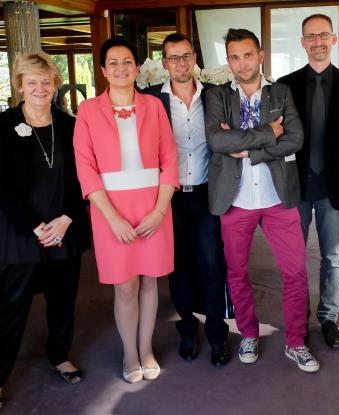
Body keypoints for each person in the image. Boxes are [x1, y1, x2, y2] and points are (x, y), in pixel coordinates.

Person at [0, 52, 91, 414]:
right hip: (21, 231)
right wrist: (35, 224)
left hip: (64, 229)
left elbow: (82, 180)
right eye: (32, 82)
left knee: (63, 299)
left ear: (55, 84)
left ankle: (60, 356)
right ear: (20, 86)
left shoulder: (70, 124)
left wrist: (66, 219)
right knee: (11, 305)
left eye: (46, 82)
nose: (40, 88)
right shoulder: (2, 125)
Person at [205, 28, 319, 373]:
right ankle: (248, 333)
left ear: (261, 56)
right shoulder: (218, 96)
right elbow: (216, 140)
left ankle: (296, 342)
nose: (242, 63)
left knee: (295, 272)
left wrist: (247, 149)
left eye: (247, 55)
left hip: (278, 198)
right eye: (234, 57)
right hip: (234, 199)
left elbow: (296, 138)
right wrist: (270, 133)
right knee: (237, 273)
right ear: (229, 61)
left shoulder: (281, 92)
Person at [73, 36, 179, 383]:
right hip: (110, 209)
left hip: (153, 205)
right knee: (124, 286)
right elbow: (85, 169)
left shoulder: (154, 106)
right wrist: (112, 217)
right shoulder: (87, 111)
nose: (121, 68)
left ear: (137, 67)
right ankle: (129, 353)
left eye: (127, 61)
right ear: (103, 70)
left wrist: (160, 211)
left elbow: (170, 160)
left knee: (151, 282)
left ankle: (146, 349)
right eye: (113, 62)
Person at [278, 14, 339, 348]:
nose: (317, 41)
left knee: (333, 256)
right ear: (303, 42)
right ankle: (297, 318)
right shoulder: (284, 85)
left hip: (335, 187)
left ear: (333, 40)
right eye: (310, 36)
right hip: (296, 187)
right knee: (294, 257)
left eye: (323, 35)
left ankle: (329, 318)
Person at [142, 33, 231, 367]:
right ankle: (188, 331)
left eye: (185, 56)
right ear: (164, 63)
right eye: (172, 58)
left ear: (194, 58)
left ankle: (218, 334)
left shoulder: (216, 95)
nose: (180, 63)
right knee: (178, 268)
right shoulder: (150, 100)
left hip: (208, 193)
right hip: (170, 198)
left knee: (211, 264)